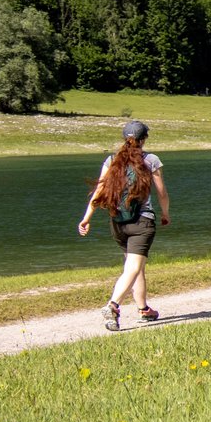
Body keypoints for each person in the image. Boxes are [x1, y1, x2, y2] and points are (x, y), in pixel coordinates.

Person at [77, 120, 171, 330]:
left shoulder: (112, 160)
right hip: (142, 221)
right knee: (133, 267)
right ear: (144, 139)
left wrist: (86, 217)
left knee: (135, 266)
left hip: (118, 221)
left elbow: (99, 191)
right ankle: (113, 305)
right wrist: (165, 213)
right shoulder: (151, 160)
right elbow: (162, 192)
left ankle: (143, 309)